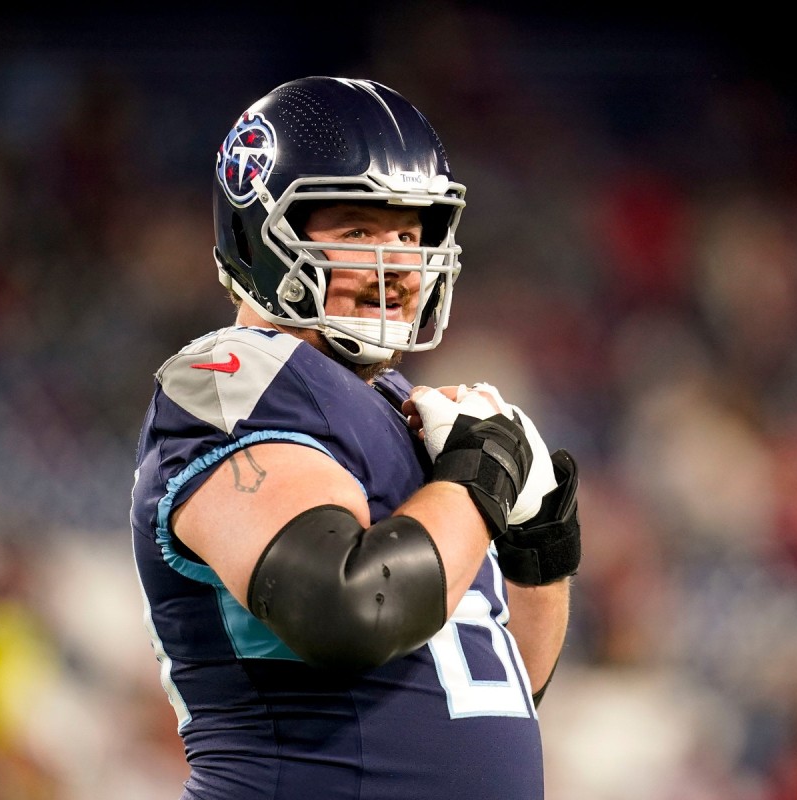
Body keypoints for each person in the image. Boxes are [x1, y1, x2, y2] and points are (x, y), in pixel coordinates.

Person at [129, 76, 582, 800]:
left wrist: (540, 547)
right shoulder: (232, 379)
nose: (399, 262)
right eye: (358, 231)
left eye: (410, 232)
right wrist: (480, 477)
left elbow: (503, 683)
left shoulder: (408, 411)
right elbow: (351, 608)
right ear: (261, 236)